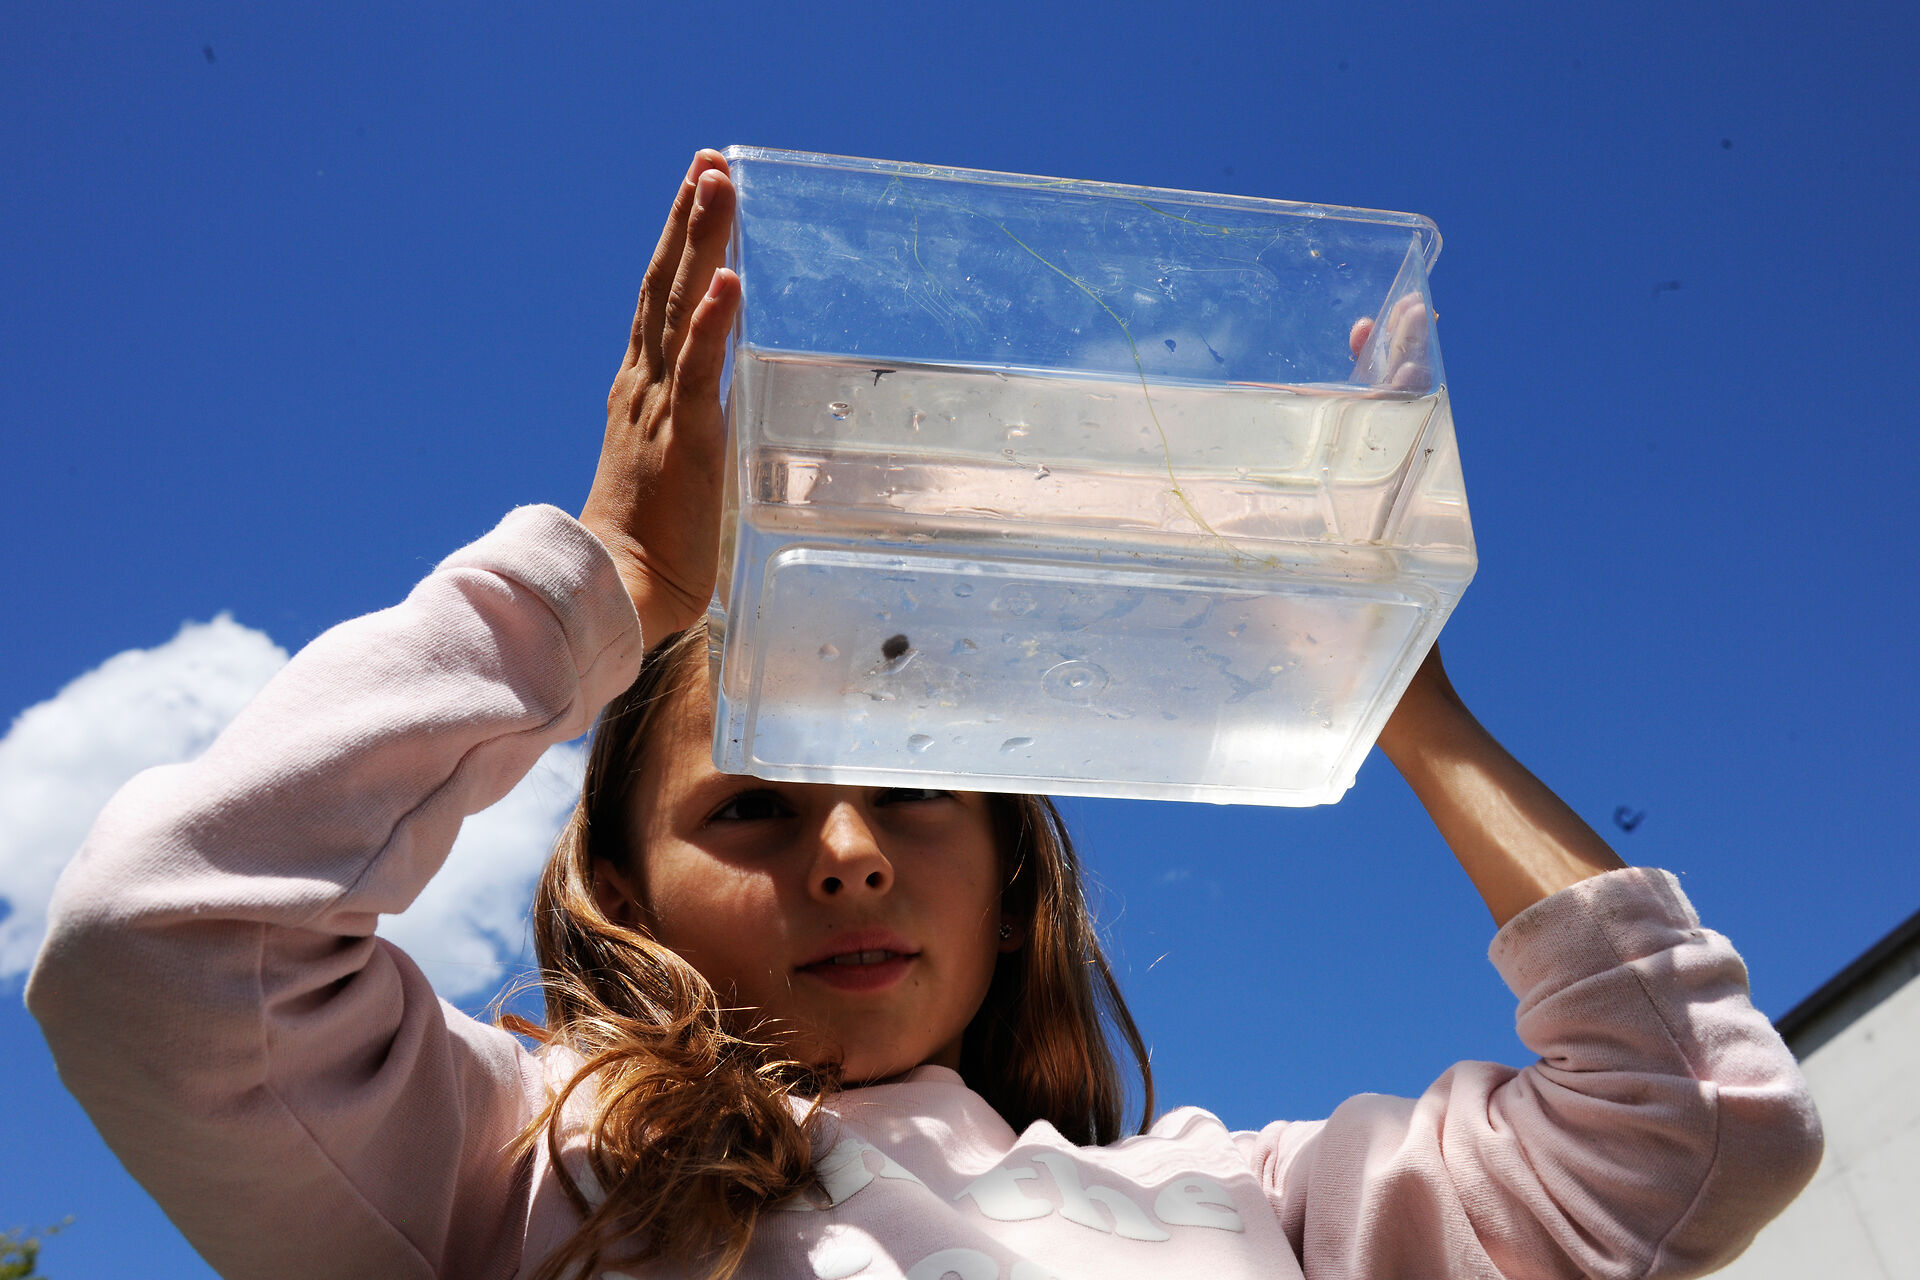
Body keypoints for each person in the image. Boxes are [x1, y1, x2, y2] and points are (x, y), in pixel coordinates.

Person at [27, 150, 1822, 1280]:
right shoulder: (504, 1161)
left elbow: (1701, 1130)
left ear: (1013, 861)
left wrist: (1396, 691)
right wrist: (604, 584)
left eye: (916, 793)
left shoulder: (1252, 1197)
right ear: (620, 888)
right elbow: (156, 951)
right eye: (749, 806)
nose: (851, 854)